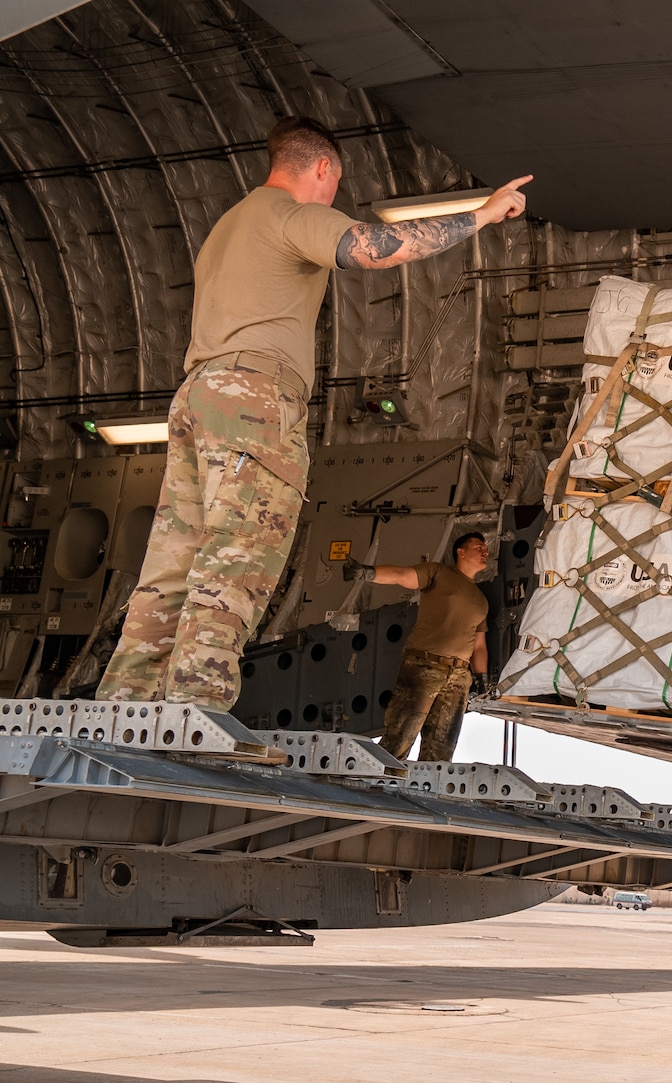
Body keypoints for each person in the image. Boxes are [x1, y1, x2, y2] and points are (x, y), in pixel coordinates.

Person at [97, 115, 530, 708]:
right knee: (239, 553)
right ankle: (192, 709)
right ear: (322, 168)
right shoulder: (292, 214)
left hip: (198, 393)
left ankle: (122, 703)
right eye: (335, 183)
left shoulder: (229, 225)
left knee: (175, 563)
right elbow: (374, 248)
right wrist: (481, 213)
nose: (334, 197)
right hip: (253, 398)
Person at [349, 533, 490, 761]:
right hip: (425, 665)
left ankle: (426, 793)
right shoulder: (440, 573)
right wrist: (367, 573)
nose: (485, 552)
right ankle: (375, 785)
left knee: (442, 747)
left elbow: (479, 645)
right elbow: (402, 575)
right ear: (460, 552)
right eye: (479, 548)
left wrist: (482, 680)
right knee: (400, 736)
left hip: (459, 677)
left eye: (486, 549)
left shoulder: (481, 600)